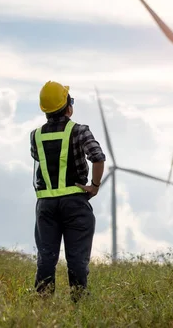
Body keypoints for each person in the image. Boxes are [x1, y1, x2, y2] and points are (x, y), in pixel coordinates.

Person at [30, 80, 106, 302]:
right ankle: (79, 303)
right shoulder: (80, 131)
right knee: (76, 258)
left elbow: (39, 158)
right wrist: (95, 185)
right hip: (74, 202)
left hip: (45, 205)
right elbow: (98, 157)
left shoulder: (35, 136)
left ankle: (42, 306)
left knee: (46, 256)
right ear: (68, 107)